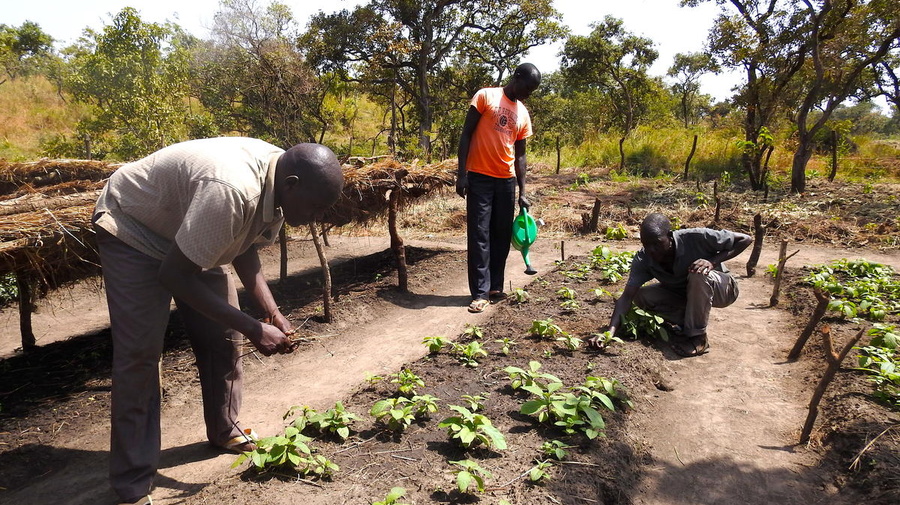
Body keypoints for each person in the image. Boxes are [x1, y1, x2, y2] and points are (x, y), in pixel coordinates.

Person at [92, 137, 344, 505]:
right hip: (137, 227)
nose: (317, 217)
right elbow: (175, 276)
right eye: (317, 207)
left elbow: (244, 246)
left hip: (191, 232)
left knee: (224, 335)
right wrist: (256, 328)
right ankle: (132, 484)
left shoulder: (281, 179)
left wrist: (271, 313)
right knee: (140, 355)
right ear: (292, 186)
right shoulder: (231, 189)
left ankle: (224, 429)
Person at [589, 213, 752, 357]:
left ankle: (698, 338)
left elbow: (745, 239)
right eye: (647, 245)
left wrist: (712, 261)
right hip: (684, 295)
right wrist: (609, 333)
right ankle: (684, 323)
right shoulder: (644, 259)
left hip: (723, 289)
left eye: (657, 243)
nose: (652, 250)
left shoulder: (695, 237)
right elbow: (627, 297)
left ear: (670, 235)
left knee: (698, 272)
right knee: (640, 297)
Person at [456, 62, 541, 313]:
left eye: (533, 90)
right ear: (517, 77)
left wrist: (523, 191)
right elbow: (466, 135)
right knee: (479, 235)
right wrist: (462, 174)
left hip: (506, 181)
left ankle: (495, 286)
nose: (529, 93)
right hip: (480, 177)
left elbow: (521, 155)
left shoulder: (523, 113)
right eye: (528, 87)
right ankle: (480, 293)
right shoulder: (485, 96)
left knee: (501, 235)